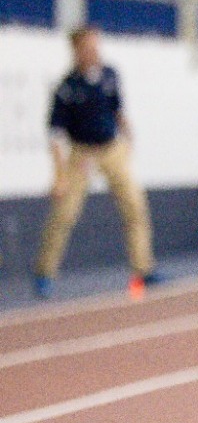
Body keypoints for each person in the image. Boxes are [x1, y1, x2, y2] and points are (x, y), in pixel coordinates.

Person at [34, 26, 162, 299]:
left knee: (135, 205)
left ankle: (143, 268)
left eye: (97, 46)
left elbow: (117, 110)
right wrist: (59, 175)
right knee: (64, 213)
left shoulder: (110, 76)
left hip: (112, 149)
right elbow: (54, 134)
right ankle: (45, 272)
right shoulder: (67, 87)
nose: (95, 52)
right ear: (77, 51)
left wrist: (129, 139)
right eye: (88, 47)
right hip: (82, 153)